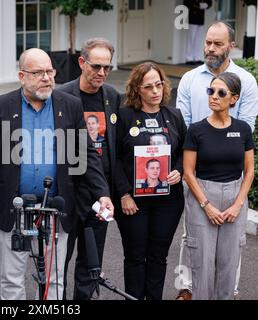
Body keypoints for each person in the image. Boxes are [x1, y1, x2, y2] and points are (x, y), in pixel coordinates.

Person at [0, 48, 114, 300]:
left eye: (49, 71)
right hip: (13, 206)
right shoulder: (2, 106)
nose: (47, 77)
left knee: (54, 279)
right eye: (38, 72)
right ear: (21, 75)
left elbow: (87, 154)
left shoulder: (70, 105)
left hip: (56, 208)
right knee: (11, 280)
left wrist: (102, 193)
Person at [176, 21, 258, 300]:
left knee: (231, 248)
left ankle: (227, 292)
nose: (210, 48)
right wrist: (197, 149)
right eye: (207, 42)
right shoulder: (189, 79)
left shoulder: (246, 81)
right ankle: (188, 290)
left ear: (231, 46)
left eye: (218, 43)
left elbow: (244, 130)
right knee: (193, 240)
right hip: (196, 172)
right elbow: (182, 124)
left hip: (231, 177)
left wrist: (237, 200)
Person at [115, 62, 187, 300]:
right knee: (135, 256)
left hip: (168, 201)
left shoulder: (173, 115)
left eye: (159, 84)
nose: (156, 91)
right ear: (137, 89)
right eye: (149, 87)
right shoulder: (124, 116)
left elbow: (183, 153)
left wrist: (179, 172)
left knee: (158, 256)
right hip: (133, 201)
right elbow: (113, 157)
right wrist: (123, 193)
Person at [58, 37, 121, 300]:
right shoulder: (61, 96)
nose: (102, 73)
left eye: (107, 67)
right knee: (60, 260)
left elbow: (117, 146)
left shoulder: (113, 97)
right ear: (82, 62)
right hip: (69, 190)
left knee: (90, 262)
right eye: (96, 67)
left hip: (99, 193)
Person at [184, 0, 212, 65]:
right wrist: (198, 5)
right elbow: (186, 3)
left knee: (198, 39)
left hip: (201, 18)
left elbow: (209, 3)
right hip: (193, 17)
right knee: (190, 39)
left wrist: (206, 5)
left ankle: (197, 57)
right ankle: (189, 58)